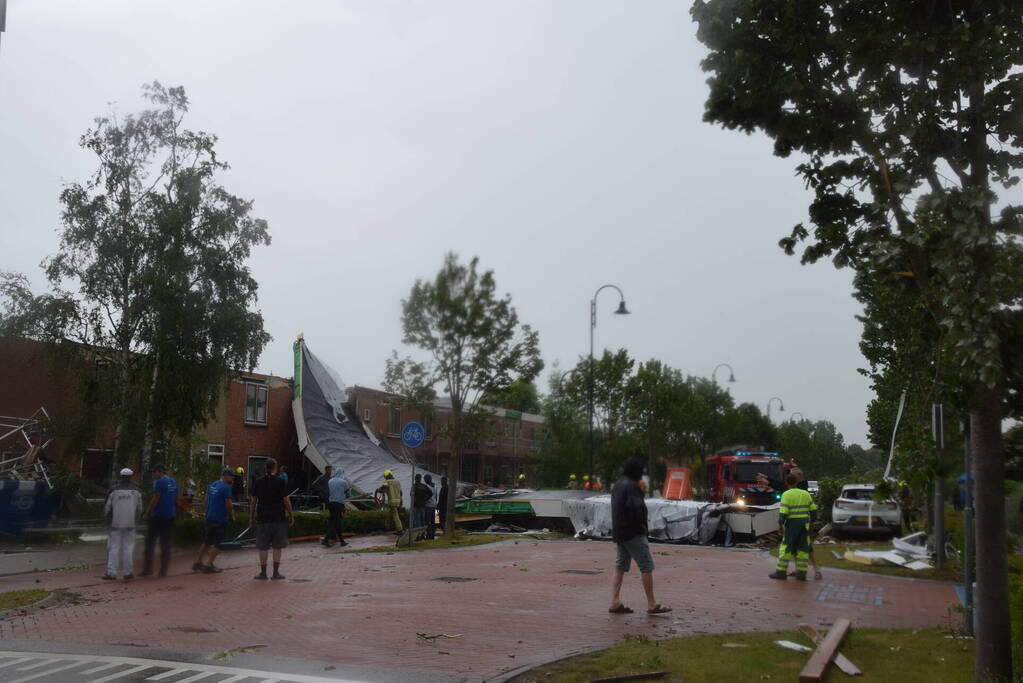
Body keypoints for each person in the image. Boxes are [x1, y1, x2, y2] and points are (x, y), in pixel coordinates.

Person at [608, 458, 670, 615]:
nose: (641, 476)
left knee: (620, 566)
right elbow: (636, 509)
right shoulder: (632, 487)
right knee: (646, 566)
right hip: (633, 533)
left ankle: (615, 602)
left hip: (620, 532)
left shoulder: (618, 485)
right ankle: (652, 603)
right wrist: (642, 528)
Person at [249, 458, 294, 580]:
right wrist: (291, 515)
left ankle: (263, 573)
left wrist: (252, 517)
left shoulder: (258, 482)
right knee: (277, 546)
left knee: (263, 546)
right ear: (275, 467)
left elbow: (253, 501)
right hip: (278, 517)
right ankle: (275, 573)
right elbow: (286, 500)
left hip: (263, 518)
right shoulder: (280, 481)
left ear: (265, 468)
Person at [769, 473, 817, 581]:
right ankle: (801, 574)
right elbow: (813, 510)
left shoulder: (786, 494)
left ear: (786, 483)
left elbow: (784, 512)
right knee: (803, 547)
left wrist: (780, 525)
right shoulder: (805, 494)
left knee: (786, 547)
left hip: (792, 524)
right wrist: (812, 523)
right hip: (804, 524)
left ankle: (781, 572)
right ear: (797, 482)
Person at [102, 468, 142, 581]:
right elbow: (140, 508)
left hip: (115, 523)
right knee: (128, 548)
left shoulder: (113, 490)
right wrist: (136, 521)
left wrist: (106, 521)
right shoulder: (136, 491)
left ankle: (111, 573)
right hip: (131, 524)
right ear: (131, 477)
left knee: (114, 548)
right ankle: (128, 572)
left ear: (121, 477)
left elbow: (107, 508)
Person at [139, 464, 178, 578]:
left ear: (159, 472)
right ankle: (163, 571)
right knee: (165, 544)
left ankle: (148, 569)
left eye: (153, 472)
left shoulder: (160, 482)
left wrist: (147, 512)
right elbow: (176, 499)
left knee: (150, 543)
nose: (152, 475)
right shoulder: (173, 482)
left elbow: (156, 498)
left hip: (157, 516)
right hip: (169, 516)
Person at [194, 468, 235, 573]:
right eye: (231, 476)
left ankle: (198, 563)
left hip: (209, 517)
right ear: (225, 476)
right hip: (220, 518)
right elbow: (229, 504)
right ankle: (209, 565)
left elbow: (206, 500)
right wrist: (232, 515)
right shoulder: (226, 488)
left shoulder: (212, 485)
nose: (233, 478)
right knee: (217, 543)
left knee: (207, 541)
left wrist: (207, 511)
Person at [323, 468, 349, 547]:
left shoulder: (330, 481)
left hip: (331, 503)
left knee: (337, 522)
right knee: (334, 522)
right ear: (341, 473)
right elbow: (348, 494)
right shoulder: (344, 482)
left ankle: (342, 541)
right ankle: (326, 540)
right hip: (339, 504)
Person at [424, 474, 438, 540]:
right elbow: (436, 496)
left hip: (428, 506)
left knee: (428, 521)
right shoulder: (435, 486)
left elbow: (426, 496)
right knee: (433, 521)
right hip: (434, 505)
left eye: (425, 479)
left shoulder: (426, 486)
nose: (424, 480)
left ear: (427, 479)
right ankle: (432, 535)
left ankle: (428, 535)